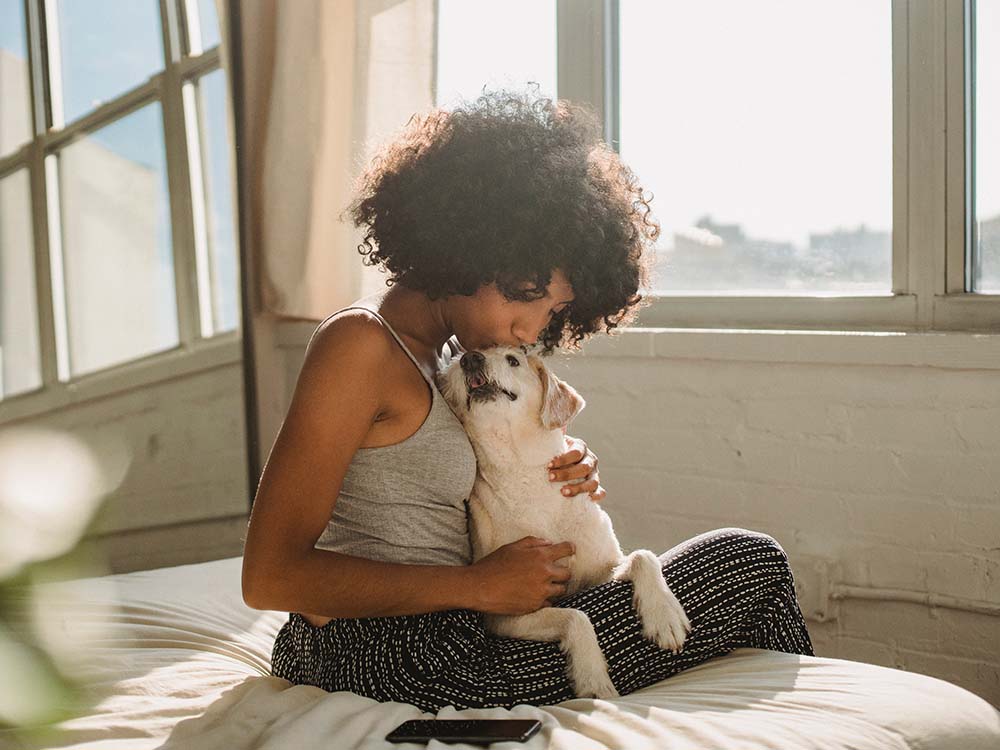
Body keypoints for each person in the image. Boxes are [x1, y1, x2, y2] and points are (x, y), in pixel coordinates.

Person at [242, 87, 814, 713]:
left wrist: (555, 460)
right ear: (478, 248)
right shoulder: (359, 345)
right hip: (396, 655)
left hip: (462, 626)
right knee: (750, 562)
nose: (531, 329)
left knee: (738, 565)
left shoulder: (443, 366)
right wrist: (474, 586)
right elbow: (270, 575)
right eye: (531, 296)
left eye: (553, 311)